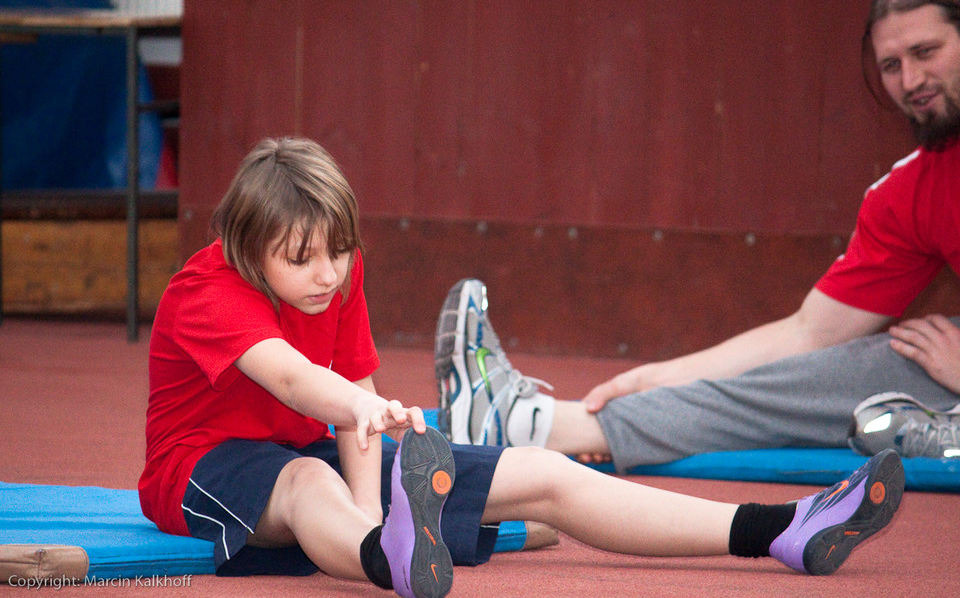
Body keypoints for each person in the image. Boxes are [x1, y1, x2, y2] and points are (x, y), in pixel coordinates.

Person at [140, 137, 903, 598]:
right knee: (314, 483)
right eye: (303, 259)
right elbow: (294, 380)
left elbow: (355, 396)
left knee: (543, 471)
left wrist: (377, 501)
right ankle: (385, 563)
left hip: (317, 440)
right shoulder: (208, 289)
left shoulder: (335, 271)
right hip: (202, 466)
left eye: (339, 250)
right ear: (249, 250)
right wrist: (368, 496)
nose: (330, 273)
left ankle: (783, 530)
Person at [435, 0, 960, 467]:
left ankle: (542, 427)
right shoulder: (908, 192)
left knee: (899, 370)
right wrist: (658, 379)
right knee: (873, 366)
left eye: (925, 51)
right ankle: (542, 425)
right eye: (892, 65)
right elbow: (811, 333)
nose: (910, 80)